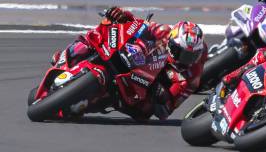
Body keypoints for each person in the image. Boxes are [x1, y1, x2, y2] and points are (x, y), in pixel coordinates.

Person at [51, 7, 207, 121]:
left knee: (139, 110)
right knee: (97, 35)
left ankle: (84, 102)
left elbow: (165, 111)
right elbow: (139, 25)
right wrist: (122, 15)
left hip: (140, 94)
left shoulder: (191, 77)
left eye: (191, 55)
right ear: (172, 42)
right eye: (182, 52)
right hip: (135, 59)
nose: (185, 59)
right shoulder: (164, 31)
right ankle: (66, 57)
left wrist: (160, 94)